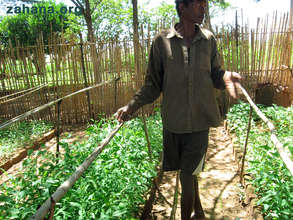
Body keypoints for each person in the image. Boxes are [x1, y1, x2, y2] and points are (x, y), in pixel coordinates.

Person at [116, 0, 242, 219]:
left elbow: (215, 74)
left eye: (204, 4)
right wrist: (131, 106)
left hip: (200, 122)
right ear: (182, 7)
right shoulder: (161, 42)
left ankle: (188, 215)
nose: (203, 9)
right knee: (189, 170)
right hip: (174, 122)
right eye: (197, 4)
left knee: (186, 174)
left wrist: (225, 77)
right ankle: (200, 209)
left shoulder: (208, 40)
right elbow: (153, 85)